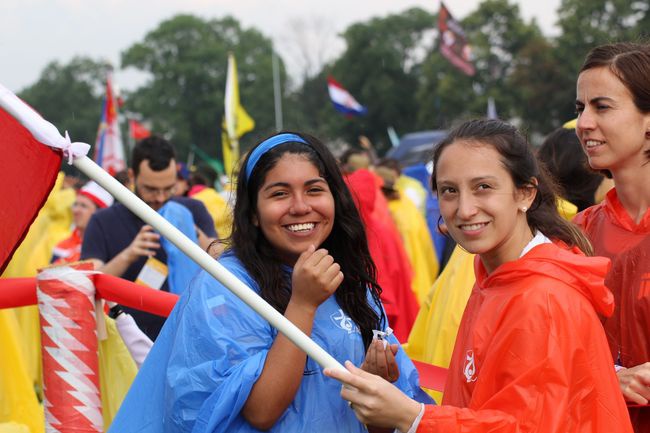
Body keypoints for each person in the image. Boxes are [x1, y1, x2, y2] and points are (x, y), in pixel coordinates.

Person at [108, 132, 430, 433]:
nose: (301, 207)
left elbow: (383, 421)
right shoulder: (226, 287)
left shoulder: (348, 282)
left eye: (315, 189)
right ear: (253, 213)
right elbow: (261, 412)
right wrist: (303, 304)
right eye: (279, 194)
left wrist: (374, 389)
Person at [326, 119, 632, 432]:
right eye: (449, 191)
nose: (465, 209)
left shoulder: (543, 297)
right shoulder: (495, 276)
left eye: (482, 187)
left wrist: (413, 417)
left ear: (525, 194)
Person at [573, 42, 650, 432]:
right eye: (580, 108)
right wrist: (605, 375)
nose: (584, 123)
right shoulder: (578, 234)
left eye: (602, 107)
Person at [81, 136, 217, 340]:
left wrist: (194, 235)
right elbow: (87, 284)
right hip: (130, 344)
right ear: (132, 176)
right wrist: (129, 255)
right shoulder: (103, 221)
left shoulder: (192, 210)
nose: (160, 198)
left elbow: (225, 266)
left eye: (168, 188)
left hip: (190, 337)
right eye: (151, 189)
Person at [51, 181, 114, 264]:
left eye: (83, 206)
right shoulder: (62, 245)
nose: (76, 210)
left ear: (100, 213)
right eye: (75, 204)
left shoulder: (108, 250)